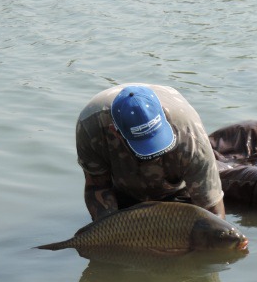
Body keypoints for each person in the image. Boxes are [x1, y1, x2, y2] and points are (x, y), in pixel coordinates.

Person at [76, 83, 225, 221]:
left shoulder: (190, 134)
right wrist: (111, 231)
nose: (152, 155)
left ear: (164, 117)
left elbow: (212, 209)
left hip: (177, 188)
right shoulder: (90, 127)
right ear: (115, 132)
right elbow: (98, 187)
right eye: (142, 144)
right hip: (123, 188)